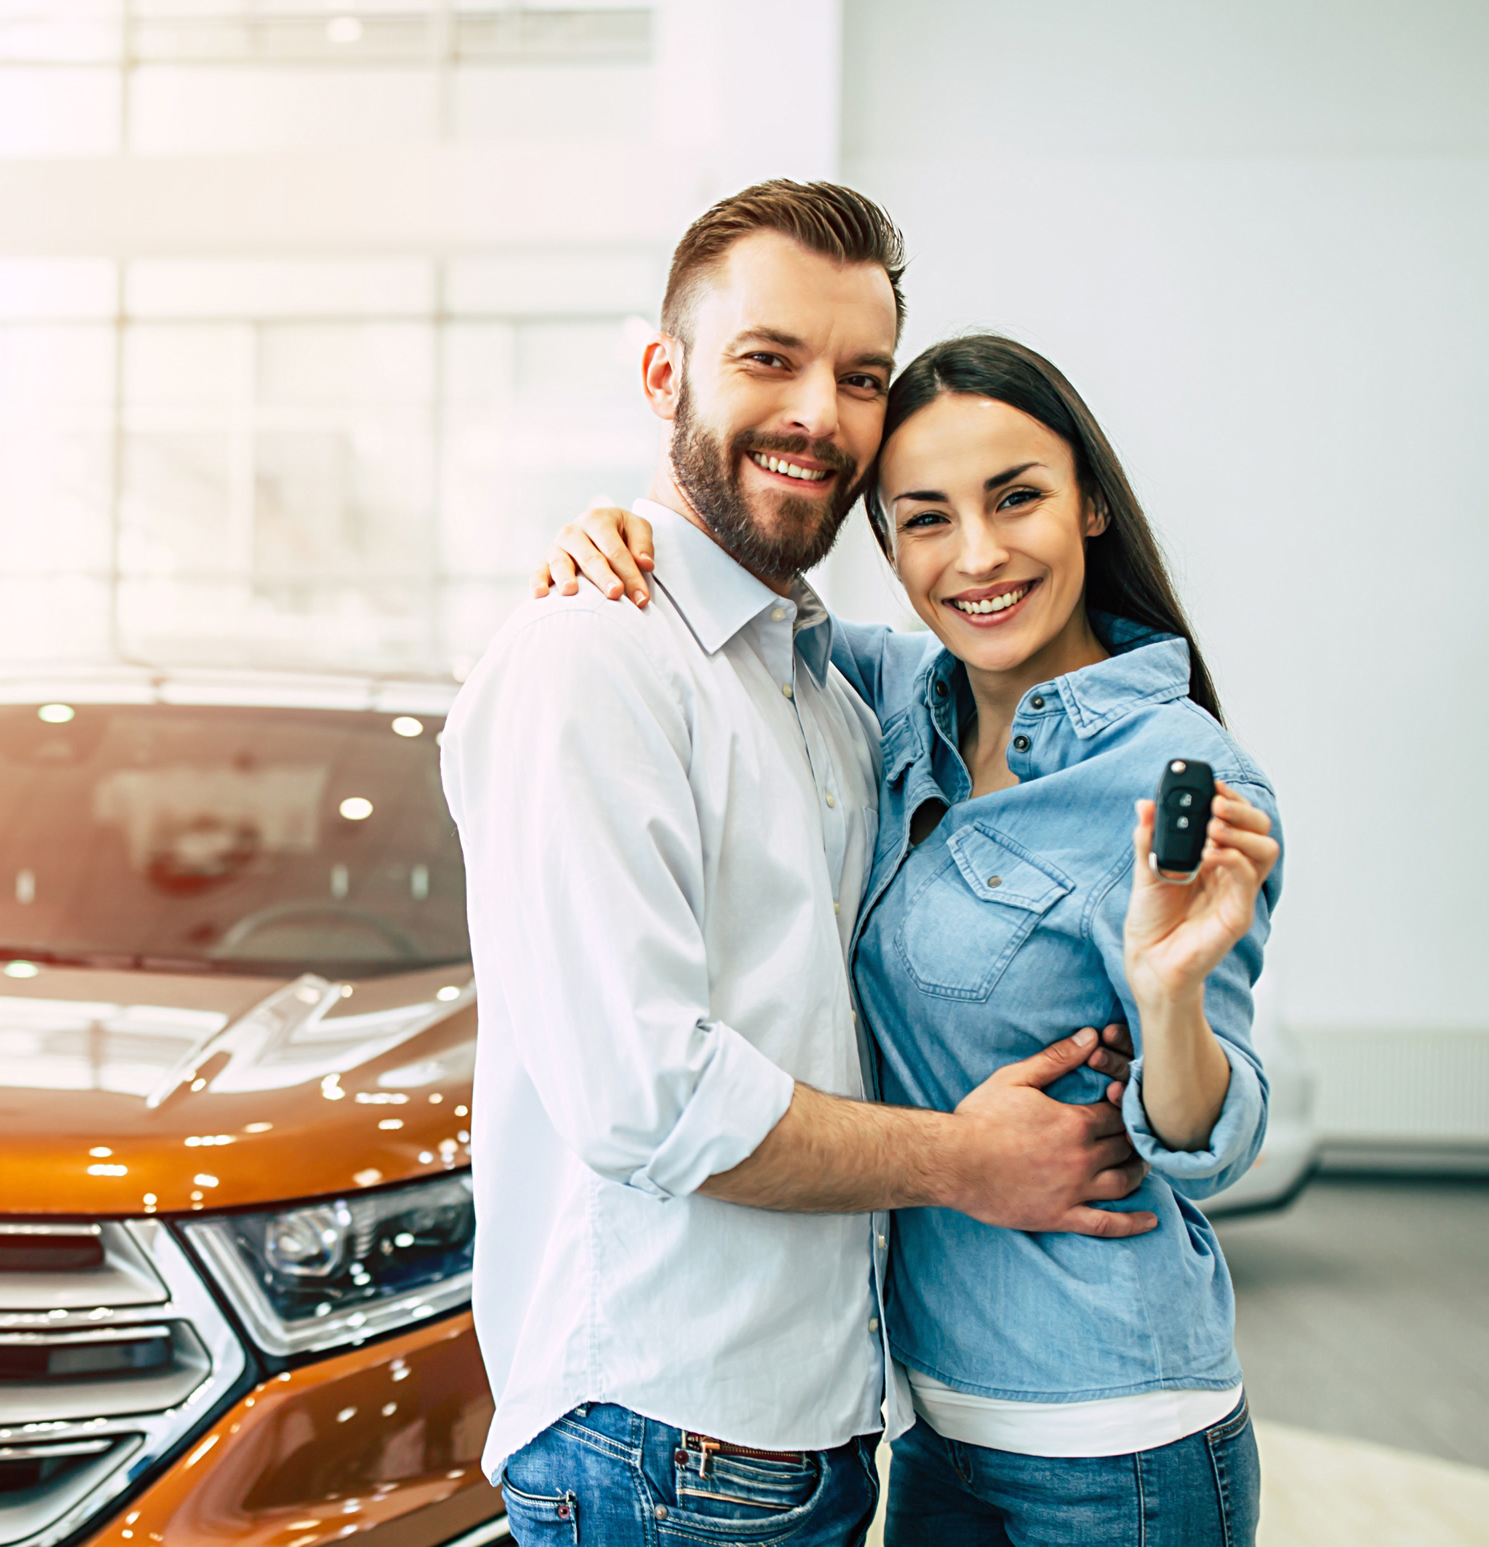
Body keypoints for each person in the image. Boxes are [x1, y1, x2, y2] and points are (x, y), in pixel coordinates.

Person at [439, 181, 1160, 1547]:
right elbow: (649, 1096)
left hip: (809, 1425)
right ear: (665, 376)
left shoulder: (826, 684)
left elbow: (1014, 650)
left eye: (860, 374)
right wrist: (964, 1159)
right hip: (656, 1438)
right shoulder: (593, 658)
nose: (819, 414)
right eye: (768, 358)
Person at [536, 332, 1281, 1546]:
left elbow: (1211, 1142)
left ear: (1090, 501)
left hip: (1119, 1439)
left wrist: (1172, 993)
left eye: (1016, 497)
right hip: (932, 1427)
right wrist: (618, 534)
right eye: (923, 518)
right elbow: (732, 614)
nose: (976, 556)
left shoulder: (1175, 772)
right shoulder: (886, 696)